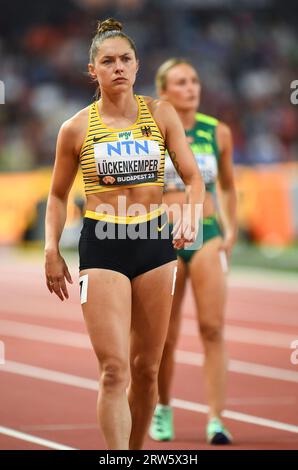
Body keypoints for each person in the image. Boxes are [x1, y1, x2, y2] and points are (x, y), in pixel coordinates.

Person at [44, 22, 204, 451]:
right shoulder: (75, 128)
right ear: (92, 70)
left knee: (147, 369)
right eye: (108, 61)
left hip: (154, 240)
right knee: (115, 369)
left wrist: (190, 214)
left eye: (126, 59)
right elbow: (57, 196)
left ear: (137, 66)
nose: (118, 67)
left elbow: (194, 179)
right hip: (103, 244)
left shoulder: (162, 113)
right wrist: (51, 249)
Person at [149, 59, 237, 445]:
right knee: (165, 336)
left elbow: (230, 185)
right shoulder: (152, 131)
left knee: (213, 328)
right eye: (181, 82)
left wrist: (230, 229)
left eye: (195, 80)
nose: (192, 87)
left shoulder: (217, 132)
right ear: (164, 91)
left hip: (207, 233)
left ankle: (216, 420)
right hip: (165, 236)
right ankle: (163, 408)